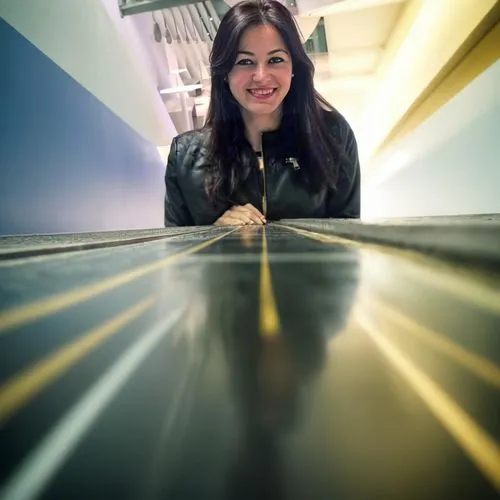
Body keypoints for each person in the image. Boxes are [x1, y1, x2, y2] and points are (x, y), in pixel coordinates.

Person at [164, 0, 360, 227]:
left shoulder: (333, 136)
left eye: (275, 60)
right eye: (245, 61)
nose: (261, 75)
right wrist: (214, 236)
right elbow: (176, 253)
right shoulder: (184, 157)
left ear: (294, 67)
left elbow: (348, 237)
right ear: (225, 72)